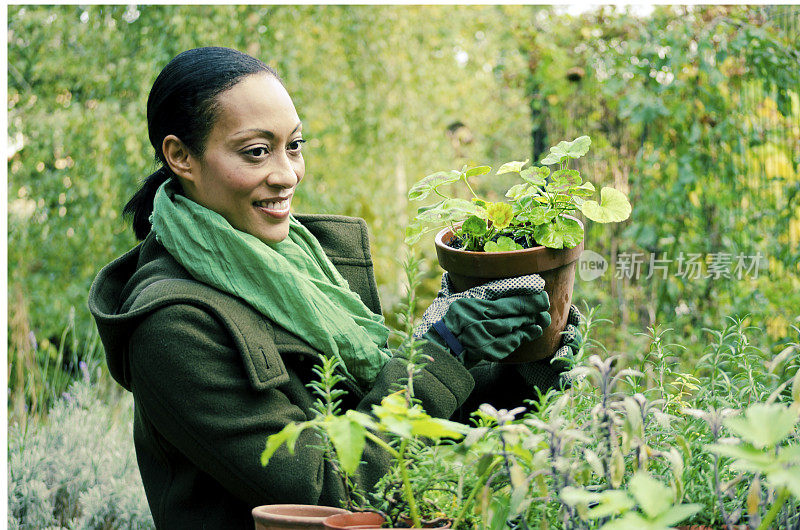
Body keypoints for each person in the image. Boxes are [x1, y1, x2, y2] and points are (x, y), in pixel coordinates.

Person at [88, 47, 581, 529]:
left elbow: (425, 433)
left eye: (294, 145)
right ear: (181, 157)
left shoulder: (309, 270)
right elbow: (329, 494)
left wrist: (530, 348)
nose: (286, 175)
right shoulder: (171, 324)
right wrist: (438, 353)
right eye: (257, 152)